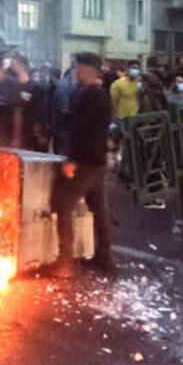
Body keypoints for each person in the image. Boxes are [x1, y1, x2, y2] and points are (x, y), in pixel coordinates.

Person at [43, 53, 114, 279]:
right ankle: (104, 257)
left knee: (62, 204)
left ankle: (64, 263)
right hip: (99, 161)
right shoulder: (102, 94)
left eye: (79, 69)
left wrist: (72, 160)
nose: (77, 73)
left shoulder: (88, 95)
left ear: (88, 70)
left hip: (84, 162)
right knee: (99, 209)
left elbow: (82, 131)